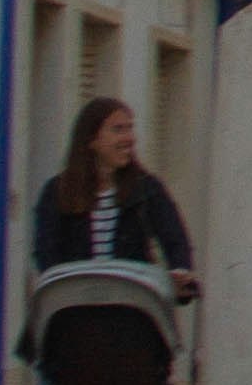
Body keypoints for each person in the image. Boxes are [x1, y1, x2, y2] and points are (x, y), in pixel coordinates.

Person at [32, 96, 198, 299]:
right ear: (92, 139)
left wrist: (180, 273)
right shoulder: (57, 191)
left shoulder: (146, 189)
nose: (129, 138)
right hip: (75, 308)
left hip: (132, 306)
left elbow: (175, 238)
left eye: (130, 129)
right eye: (118, 129)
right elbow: (46, 253)